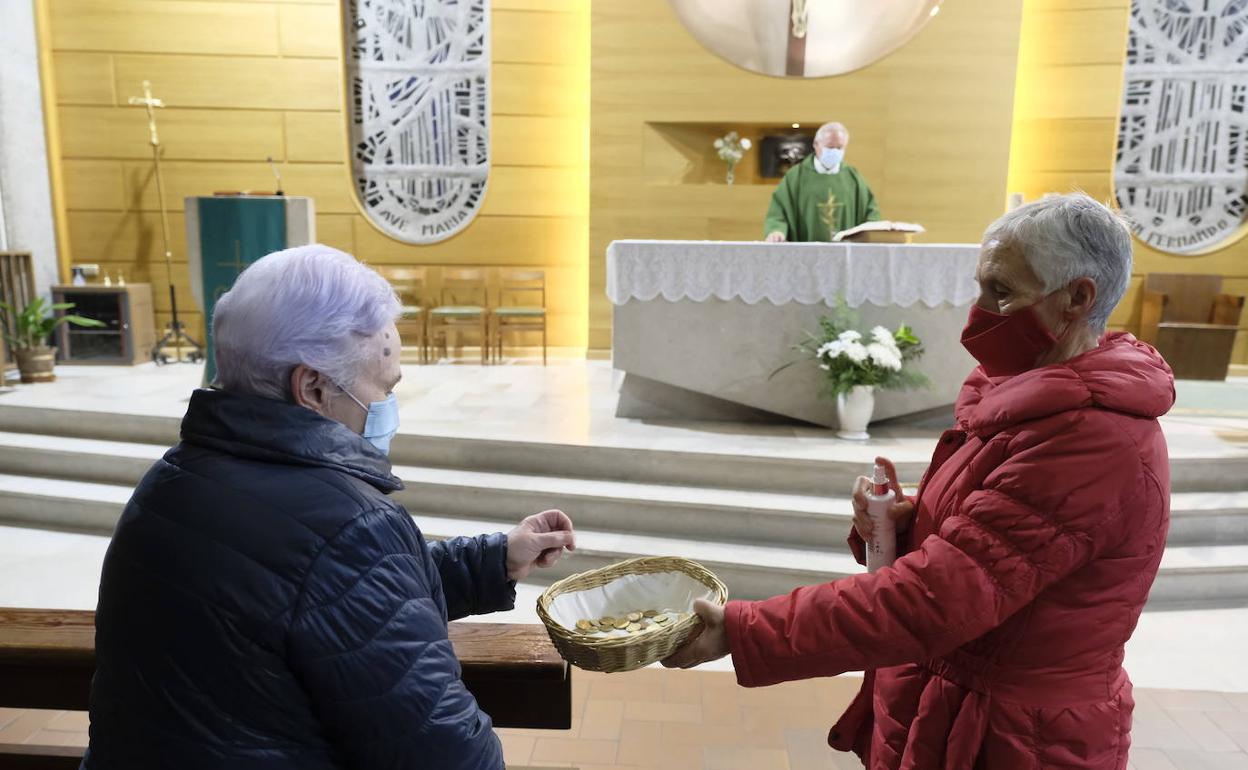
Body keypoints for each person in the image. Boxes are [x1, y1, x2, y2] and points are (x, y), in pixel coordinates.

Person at [667, 193, 1174, 770]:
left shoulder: (1090, 441)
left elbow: (937, 598)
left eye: (1001, 292)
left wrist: (746, 631)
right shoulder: (1026, 399)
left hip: (1017, 736)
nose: (977, 311)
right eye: (981, 286)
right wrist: (901, 529)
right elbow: (990, 553)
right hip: (953, 702)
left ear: (1077, 298)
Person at [82, 245, 576, 770]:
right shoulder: (350, 527)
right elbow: (447, 753)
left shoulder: (169, 481)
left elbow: (319, 594)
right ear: (313, 387)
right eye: (383, 388)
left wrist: (495, 558)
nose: (387, 407)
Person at [763, 121, 880, 242]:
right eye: (829, 147)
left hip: (846, 254)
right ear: (816, 144)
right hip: (805, 255)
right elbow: (779, 211)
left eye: (839, 148)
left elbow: (870, 213)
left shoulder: (854, 178)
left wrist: (875, 231)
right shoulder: (795, 177)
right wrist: (776, 230)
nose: (834, 152)